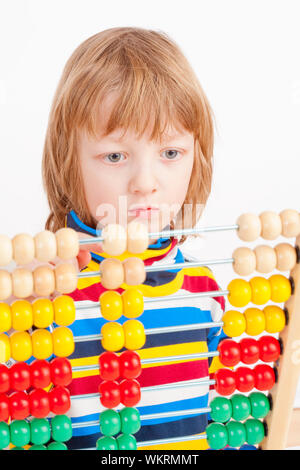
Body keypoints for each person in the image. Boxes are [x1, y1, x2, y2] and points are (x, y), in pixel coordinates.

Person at [42, 26, 226, 450]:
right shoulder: (47, 296)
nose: (146, 182)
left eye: (170, 153)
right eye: (114, 156)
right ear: (69, 163)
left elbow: (223, 411)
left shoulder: (204, 291)